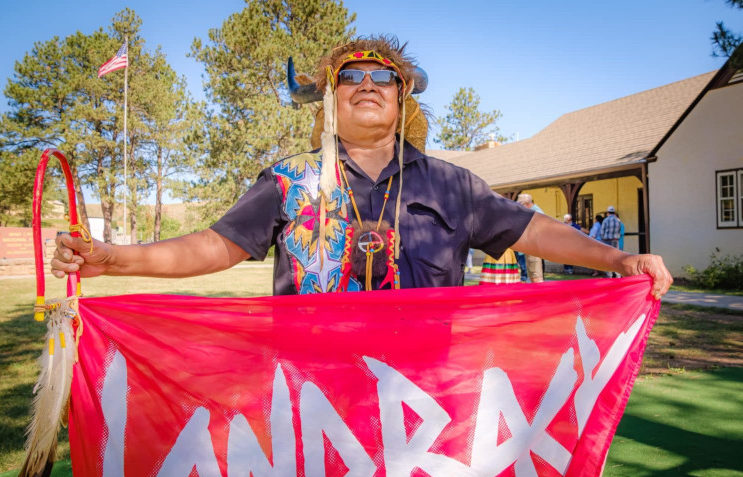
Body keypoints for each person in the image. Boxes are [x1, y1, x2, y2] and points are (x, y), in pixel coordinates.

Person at [51, 35, 672, 300]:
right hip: (312, 391)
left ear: (403, 101)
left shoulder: (452, 183)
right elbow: (211, 248)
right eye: (351, 76)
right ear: (330, 98)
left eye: (385, 78)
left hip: (426, 392)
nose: (368, 84)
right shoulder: (288, 181)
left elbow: (533, 231)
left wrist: (620, 258)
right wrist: (116, 259)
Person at [516, 194, 545, 283]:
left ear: (526, 204)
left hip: (533, 248)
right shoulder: (531, 212)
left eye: (521, 205)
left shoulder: (537, 213)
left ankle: (541, 295)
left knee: (536, 276)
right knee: (533, 275)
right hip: (529, 248)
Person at [601, 206, 623, 278]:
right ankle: (618, 275)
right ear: (614, 213)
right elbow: (619, 230)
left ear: (608, 213)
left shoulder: (605, 220)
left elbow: (602, 232)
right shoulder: (618, 221)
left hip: (607, 241)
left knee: (608, 258)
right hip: (615, 241)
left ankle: (609, 275)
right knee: (616, 258)